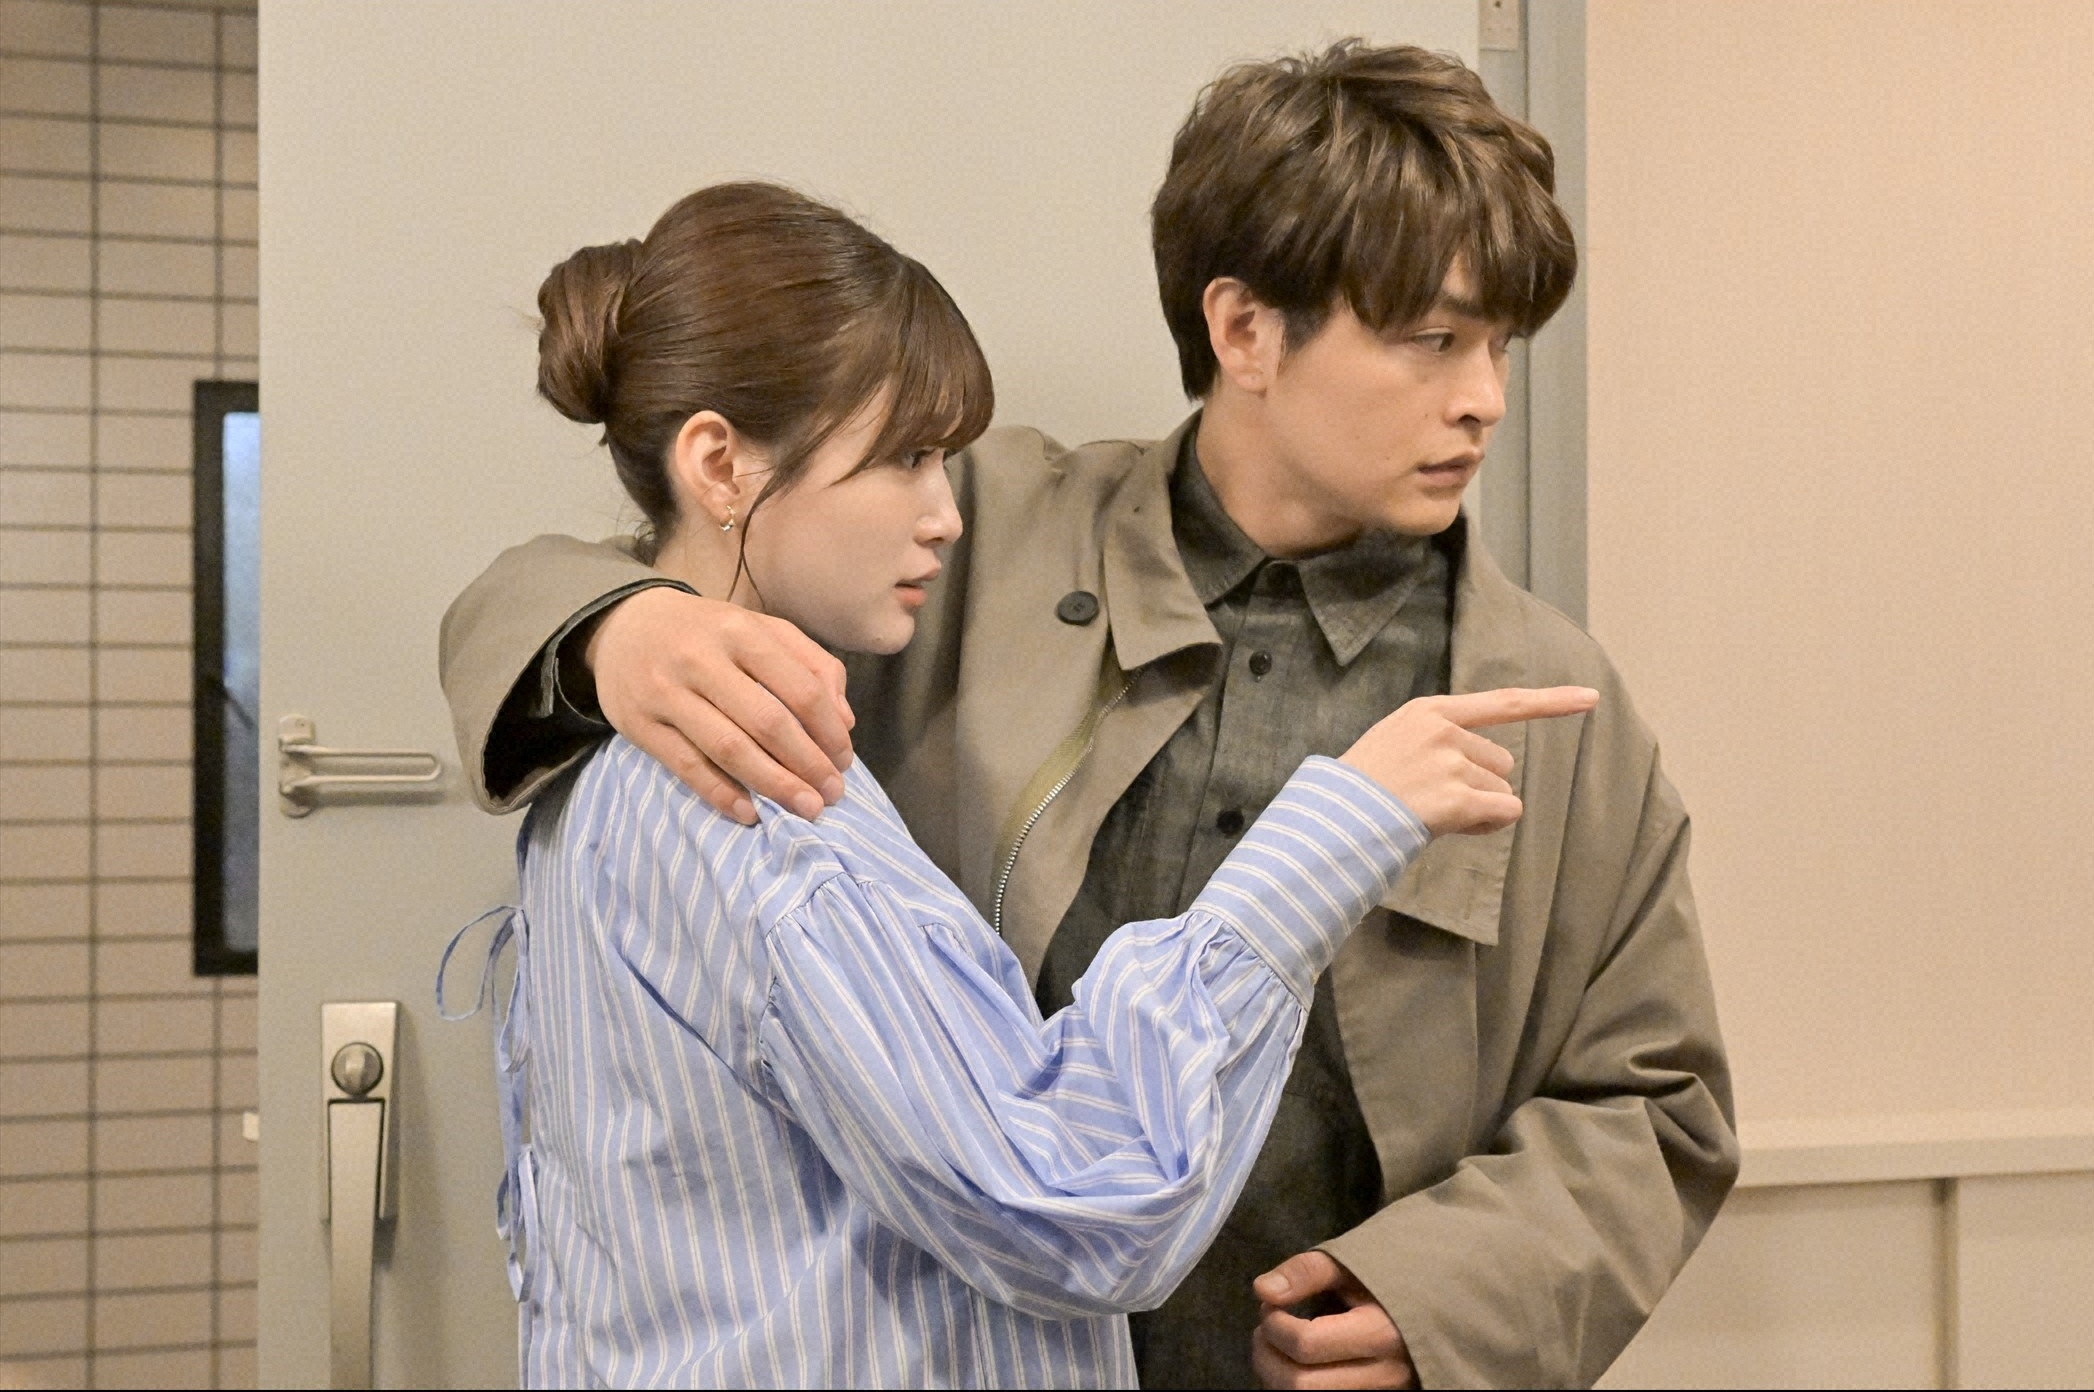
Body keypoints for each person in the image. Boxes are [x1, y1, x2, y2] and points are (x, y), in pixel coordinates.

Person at [441, 43, 1738, 1390]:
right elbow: (565, 574)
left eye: (1500, 347)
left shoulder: (1544, 699)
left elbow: (1656, 1104)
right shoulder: (963, 539)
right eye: (1432, 340)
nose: (1484, 400)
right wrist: (620, 626)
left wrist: (1445, 1300)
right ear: (1244, 330)